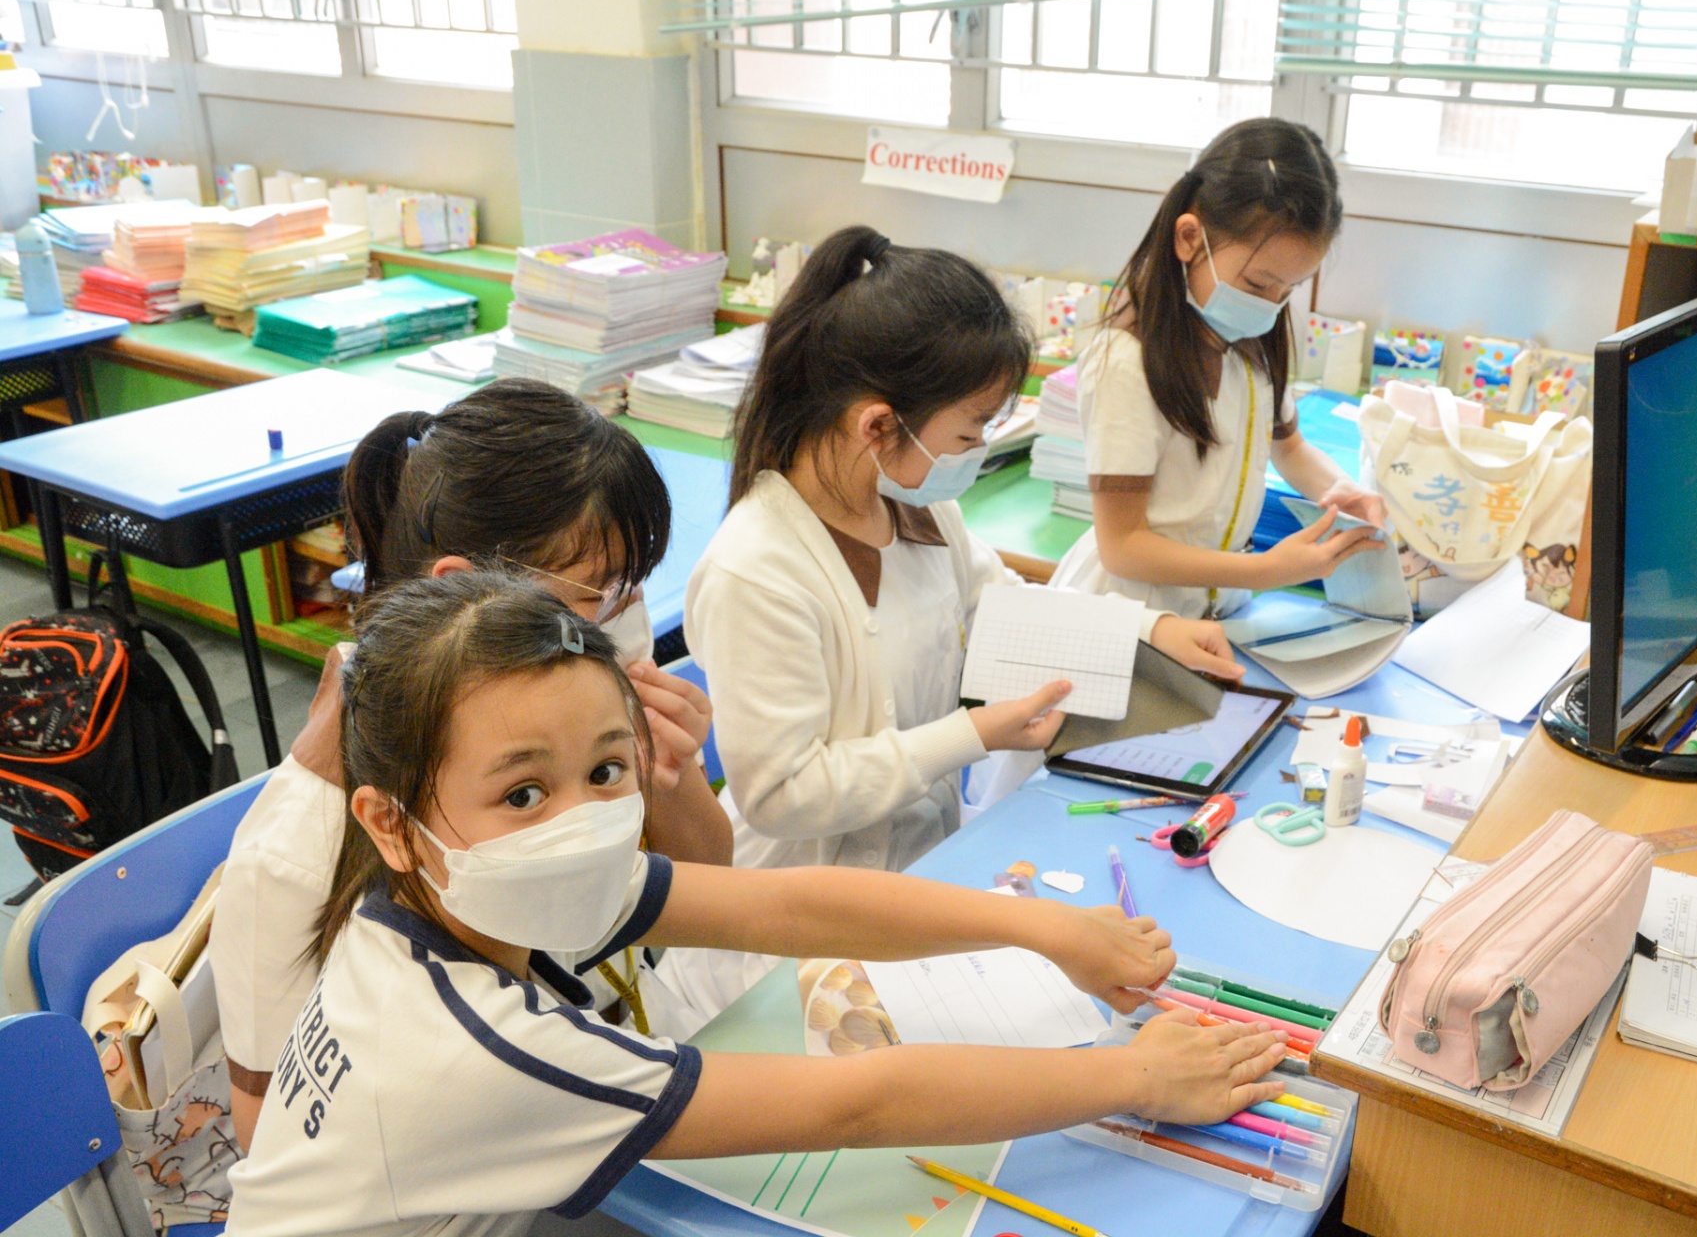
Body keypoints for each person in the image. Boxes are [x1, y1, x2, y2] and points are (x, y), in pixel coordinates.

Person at [225, 572, 1289, 1236]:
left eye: (607, 770)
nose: (583, 817)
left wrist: (1041, 924)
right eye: (523, 791)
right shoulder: (472, 1045)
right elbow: (854, 1105)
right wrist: (1134, 1075)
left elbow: (779, 907)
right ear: (390, 820)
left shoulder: (480, 885)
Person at [210, 379, 733, 1150]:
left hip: (601, 1075)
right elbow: (269, 1129)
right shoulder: (297, 856)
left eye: (632, 589)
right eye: (600, 593)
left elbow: (710, 884)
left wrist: (663, 768)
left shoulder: (560, 706)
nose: (625, 618)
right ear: (463, 589)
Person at [687, 224, 1242, 877]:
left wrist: (1152, 630)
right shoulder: (756, 572)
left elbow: (1005, 612)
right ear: (877, 425)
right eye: (971, 429)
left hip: (924, 865)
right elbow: (783, 795)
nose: (980, 448)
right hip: (801, 901)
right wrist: (973, 736)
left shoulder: (914, 508)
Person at [1050, 118, 1389, 620]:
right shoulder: (1126, 362)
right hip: (1132, 613)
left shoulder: (1250, 341)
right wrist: (1265, 570)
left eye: (1289, 289)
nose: (1271, 305)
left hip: (1218, 607)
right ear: (1190, 239)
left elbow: (1290, 448)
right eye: (1257, 285)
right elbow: (1122, 546)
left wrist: (1343, 493)